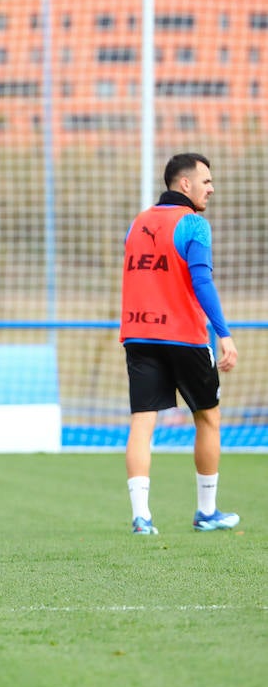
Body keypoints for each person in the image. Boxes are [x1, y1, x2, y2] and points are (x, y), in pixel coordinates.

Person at [121, 152, 240, 536]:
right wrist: (224, 333)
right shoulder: (194, 224)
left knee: (142, 422)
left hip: (138, 334)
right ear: (184, 184)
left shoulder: (136, 223)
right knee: (208, 417)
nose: (211, 188)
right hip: (184, 336)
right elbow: (202, 282)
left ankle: (142, 517)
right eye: (206, 181)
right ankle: (206, 511)